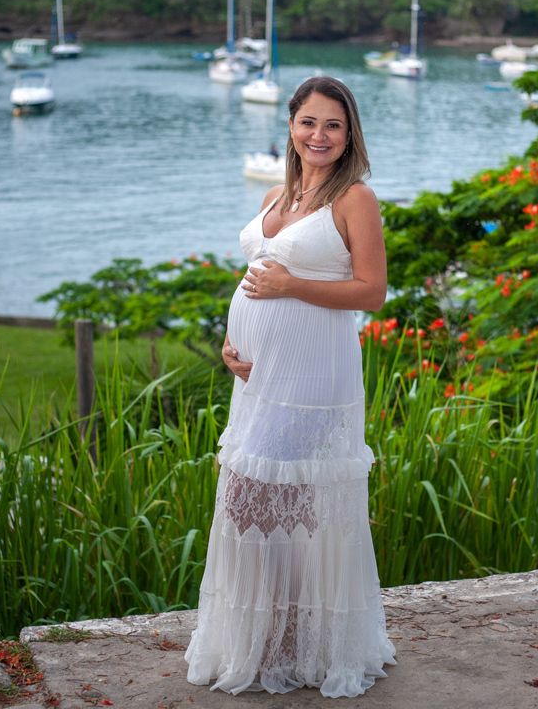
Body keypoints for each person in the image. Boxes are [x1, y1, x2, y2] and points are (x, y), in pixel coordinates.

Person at [185, 76, 396, 697]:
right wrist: (233, 343)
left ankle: (288, 642)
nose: (319, 135)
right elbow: (257, 273)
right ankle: (289, 639)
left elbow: (372, 292)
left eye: (333, 125)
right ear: (291, 125)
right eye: (309, 122)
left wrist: (292, 287)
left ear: (350, 134)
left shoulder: (355, 198)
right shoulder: (279, 193)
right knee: (285, 503)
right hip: (259, 376)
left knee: (258, 498)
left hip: (313, 372)